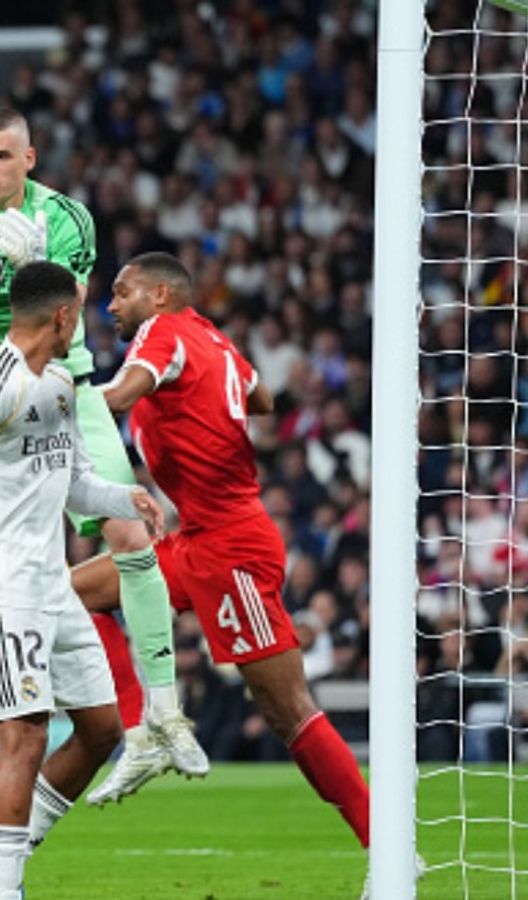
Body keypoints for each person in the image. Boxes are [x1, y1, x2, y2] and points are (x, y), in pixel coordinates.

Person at [0, 106, 205, 797]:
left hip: (64, 385)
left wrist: (32, 261)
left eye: (2, 157)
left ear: (29, 159)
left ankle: (163, 718)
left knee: (131, 530)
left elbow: (66, 312)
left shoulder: (66, 219)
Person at [75, 252, 370, 853]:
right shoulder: (214, 339)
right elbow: (260, 400)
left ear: (159, 295)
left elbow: (125, 392)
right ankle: (144, 730)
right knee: (76, 593)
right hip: (196, 539)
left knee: (288, 710)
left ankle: (387, 849)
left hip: (233, 546)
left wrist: (59, 400)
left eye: (122, 292)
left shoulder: (164, 333)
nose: (111, 305)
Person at [0, 261, 165, 900]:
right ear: (63, 316)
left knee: (103, 727)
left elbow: (73, 478)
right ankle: (6, 890)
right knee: (26, 734)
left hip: (54, 583)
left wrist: (128, 499)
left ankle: (8, 856)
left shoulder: (59, 385)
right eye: (80, 307)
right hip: (2, 585)